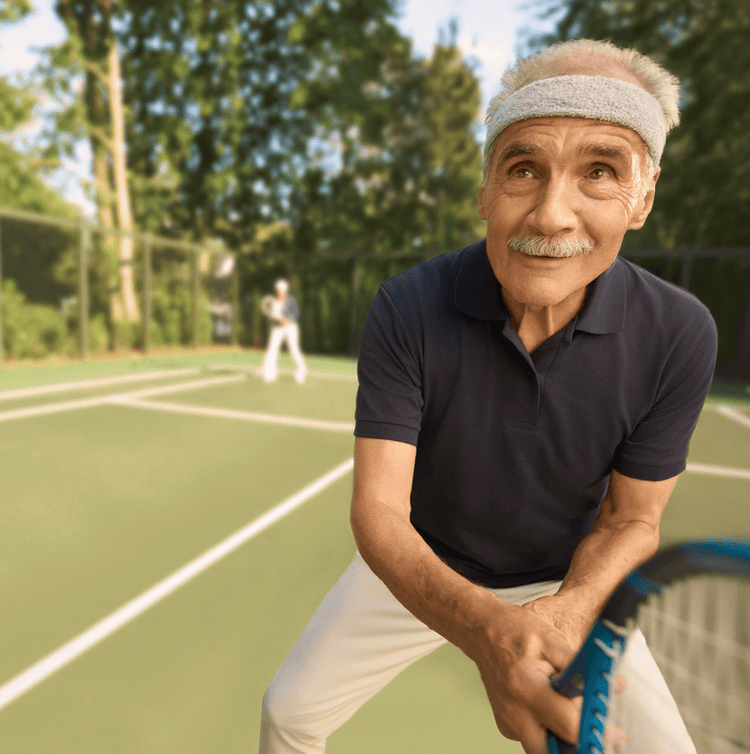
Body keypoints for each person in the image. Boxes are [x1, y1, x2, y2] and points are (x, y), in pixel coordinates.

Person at [260, 39, 718, 754]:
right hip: (425, 566)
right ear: (485, 191)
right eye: (522, 169)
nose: (550, 215)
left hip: (571, 586)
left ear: (643, 198)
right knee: (289, 713)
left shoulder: (680, 332)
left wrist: (566, 616)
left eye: (600, 171)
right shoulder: (408, 306)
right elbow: (379, 512)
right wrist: (487, 630)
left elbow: (632, 518)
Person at [261, 279, 307, 384]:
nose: (280, 292)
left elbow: (296, 314)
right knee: (272, 349)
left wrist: (287, 320)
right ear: (276, 291)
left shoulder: (291, 300)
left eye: (282, 290)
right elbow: (272, 316)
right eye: (278, 290)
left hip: (291, 328)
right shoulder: (273, 301)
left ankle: (301, 371)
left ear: (285, 291)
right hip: (277, 328)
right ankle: (270, 373)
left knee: (294, 349)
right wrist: (279, 320)